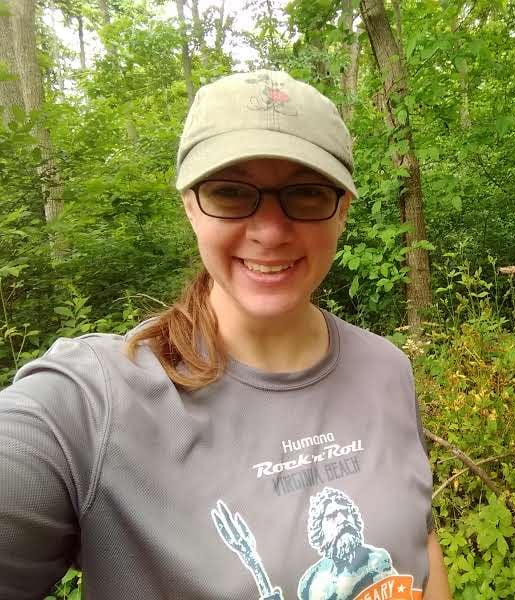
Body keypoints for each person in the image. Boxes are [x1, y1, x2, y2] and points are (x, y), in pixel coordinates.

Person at [0, 70, 451, 600]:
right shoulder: (93, 406)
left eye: (305, 194)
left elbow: (419, 544)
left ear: (343, 208)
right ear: (190, 204)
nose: (269, 230)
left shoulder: (387, 369)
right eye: (231, 193)